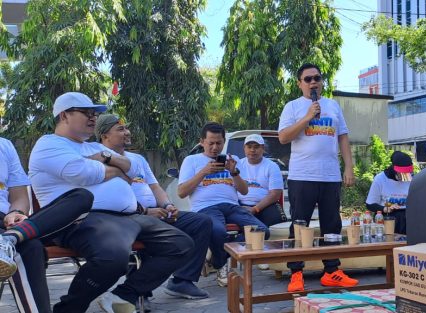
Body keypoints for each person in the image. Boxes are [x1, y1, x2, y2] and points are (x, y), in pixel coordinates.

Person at [29, 92, 193, 313]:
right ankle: (68, 309)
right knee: (112, 259)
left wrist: (105, 159)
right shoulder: (48, 144)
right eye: (86, 113)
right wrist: (116, 169)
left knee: (181, 244)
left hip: (129, 218)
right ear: (65, 115)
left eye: (95, 114)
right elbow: (80, 173)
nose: (93, 118)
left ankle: (122, 295)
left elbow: (132, 170)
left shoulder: (95, 148)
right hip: (81, 220)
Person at [96, 114, 213, 301]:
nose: (127, 132)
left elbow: (155, 186)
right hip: (128, 218)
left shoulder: (138, 159)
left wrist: (168, 205)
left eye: (126, 128)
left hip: (157, 213)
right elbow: (109, 197)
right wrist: (144, 211)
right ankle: (137, 290)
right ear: (104, 136)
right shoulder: (99, 158)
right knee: (166, 240)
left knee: (201, 222)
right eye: (120, 129)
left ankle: (182, 281)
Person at [278, 63, 357, 292]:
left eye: (317, 78)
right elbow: (283, 137)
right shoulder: (292, 107)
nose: (313, 82)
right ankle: (296, 273)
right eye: (308, 79)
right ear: (299, 83)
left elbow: (343, 137)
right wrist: (307, 117)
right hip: (302, 175)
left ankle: (332, 271)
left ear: (322, 81)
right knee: (299, 224)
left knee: (331, 224)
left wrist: (348, 168)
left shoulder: (333, 106)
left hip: (330, 175)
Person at [0, 136, 93, 313]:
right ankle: (10, 241)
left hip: (7, 222)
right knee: (29, 248)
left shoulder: (4, 145)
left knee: (82, 197)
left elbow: (19, 196)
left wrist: (16, 212)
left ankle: (9, 239)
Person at [178, 122, 267, 287]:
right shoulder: (192, 160)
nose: (214, 147)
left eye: (219, 143)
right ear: (202, 142)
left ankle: (218, 255)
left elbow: (244, 191)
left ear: (224, 142)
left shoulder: (233, 161)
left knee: (262, 231)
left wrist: (234, 172)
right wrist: (203, 172)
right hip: (205, 207)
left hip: (232, 206)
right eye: (210, 143)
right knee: (218, 232)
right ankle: (221, 264)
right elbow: (182, 192)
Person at [236, 134, 287, 227]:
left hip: (266, 205)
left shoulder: (272, 166)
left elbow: (275, 195)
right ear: (244, 148)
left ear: (263, 148)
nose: (252, 150)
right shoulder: (237, 165)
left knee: (278, 220)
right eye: (249, 147)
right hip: (240, 204)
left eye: (256, 147)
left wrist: (255, 209)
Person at [365, 151, 413, 235]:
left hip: (408, 215)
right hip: (388, 215)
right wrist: (386, 208)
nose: (405, 176)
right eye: (402, 173)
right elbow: (370, 204)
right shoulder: (380, 179)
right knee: (396, 218)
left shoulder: (412, 178)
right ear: (394, 169)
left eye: (407, 173)